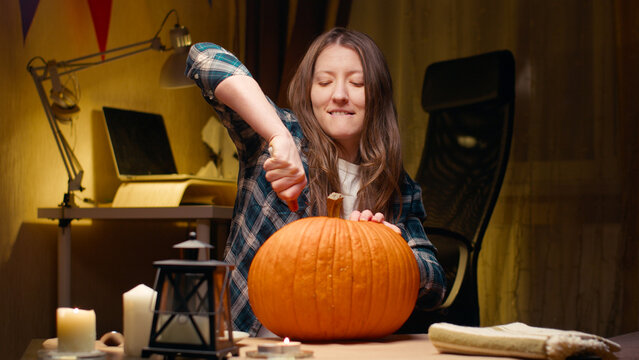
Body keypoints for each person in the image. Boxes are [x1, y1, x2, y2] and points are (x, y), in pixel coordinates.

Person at [186, 27, 445, 336]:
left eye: (357, 82)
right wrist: (277, 136)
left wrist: (396, 250)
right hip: (252, 344)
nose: (339, 94)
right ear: (309, 91)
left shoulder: (397, 185)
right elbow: (204, 57)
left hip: (346, 348)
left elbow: (435, 286)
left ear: (377, 94)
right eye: (325, 82)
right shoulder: (278, 138)